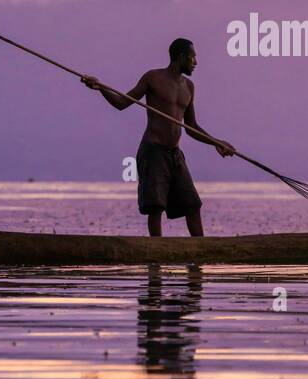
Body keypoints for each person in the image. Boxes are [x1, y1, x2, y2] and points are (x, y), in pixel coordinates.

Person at [81, 38, 235, 237]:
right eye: (192, 57)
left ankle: (200, 256)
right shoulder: (153, 78)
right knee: (155, 206)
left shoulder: (189, 87)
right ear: (180, 57)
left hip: (175, 154)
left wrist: (217, 143)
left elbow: (191, 127)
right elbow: (121, 103)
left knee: (192, 205)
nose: (196, 62)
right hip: (153, 151)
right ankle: (156, 258)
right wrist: (100, 87)